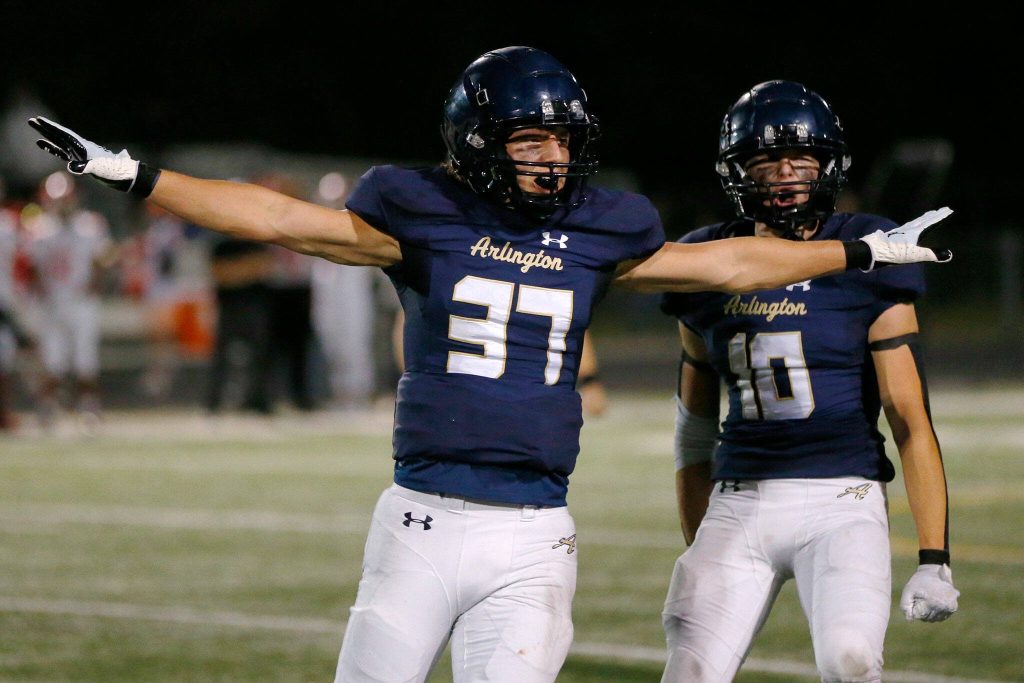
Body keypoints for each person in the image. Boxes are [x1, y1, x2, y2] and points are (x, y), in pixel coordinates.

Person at [28, 48, 951, 682]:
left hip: (533, 536)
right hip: (420, 521)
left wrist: (859, 254)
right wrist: (135, 175)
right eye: (531, 141)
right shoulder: (419, 214)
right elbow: (276, 219)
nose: (554, 159)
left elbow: (730, 263)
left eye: (562, 140)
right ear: (479, 143)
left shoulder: (600, 226)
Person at [659, 81, 959, 683]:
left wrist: (935, 558)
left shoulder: (869, 247)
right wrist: (700, 539)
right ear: (738, 171)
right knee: (689, 671)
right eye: (766, 161)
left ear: (829, 164)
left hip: (840, 499)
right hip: (739, 499)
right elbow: (694, 431)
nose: (786, 174)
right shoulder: (707, 259)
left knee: (849, 660)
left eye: (802, 158)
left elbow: (907, 414)